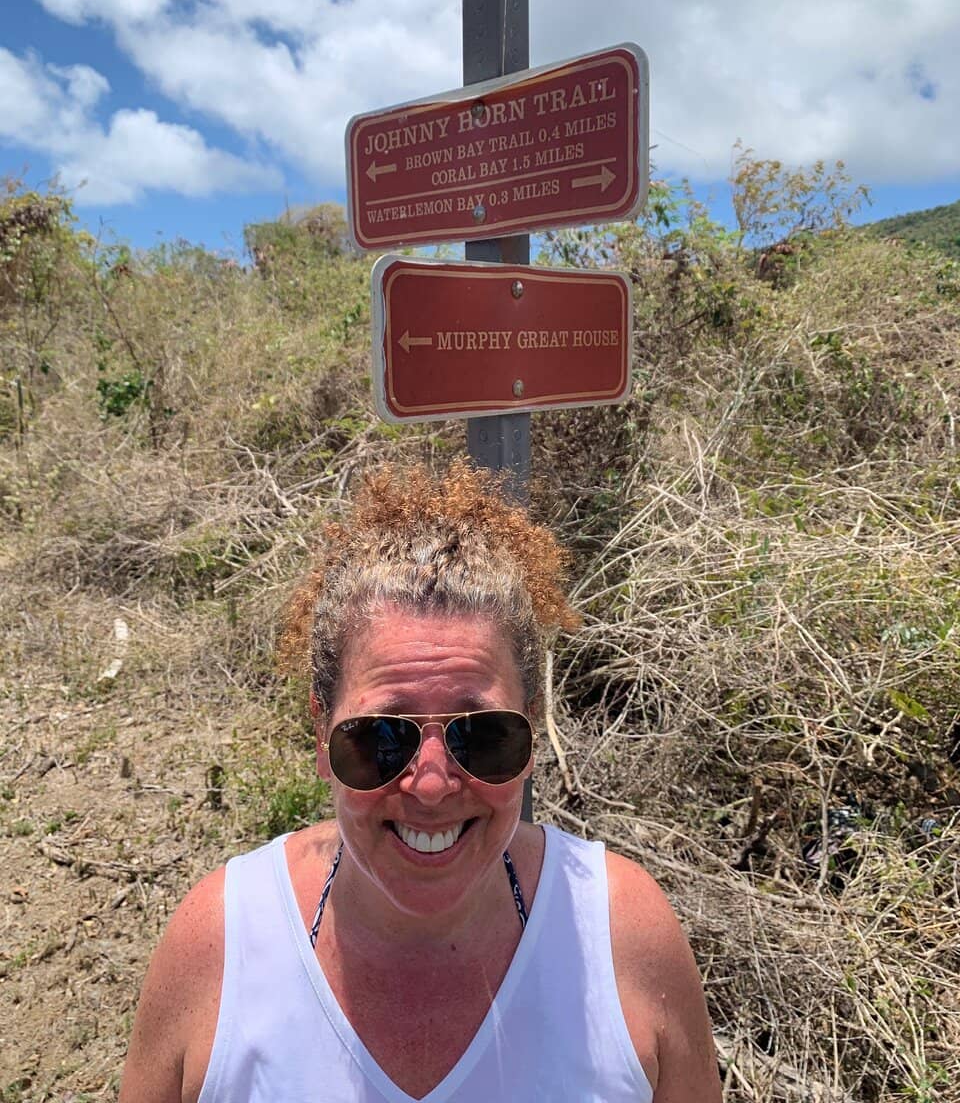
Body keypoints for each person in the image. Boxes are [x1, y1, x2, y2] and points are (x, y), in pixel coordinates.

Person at [120, 461, 721, 1102]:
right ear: (322, 736)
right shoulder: (218, 943)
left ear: (533, 732)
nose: (431, 786)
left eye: (483, 735)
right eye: (382, 737)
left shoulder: (625, 932)